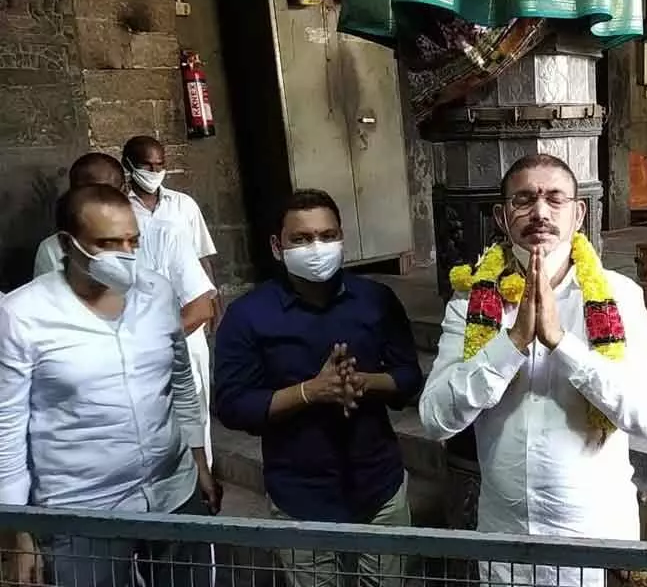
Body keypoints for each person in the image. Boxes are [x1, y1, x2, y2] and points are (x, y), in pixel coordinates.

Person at [419, 153, 647, 587]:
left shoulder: (619, 297)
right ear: (501, 216)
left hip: (597, 543)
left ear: (579, 213)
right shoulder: (470, 303)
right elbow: (435, 419)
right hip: (506, 544)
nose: (539, 211)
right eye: (523, 199)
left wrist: (563, 344)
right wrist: (511, 343)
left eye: (555, 198)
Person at [0, 183, 218, 587]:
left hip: (172, 491)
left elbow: (181, 380)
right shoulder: (22, 316)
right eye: (107, 243)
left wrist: (199, 461)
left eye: (132, 241)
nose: (125, 255)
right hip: (81, 510)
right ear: (68, 243)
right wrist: (16, 529)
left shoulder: (156, 293)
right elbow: (6, 428)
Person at [213, 189, 422, 587]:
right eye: (302, 239)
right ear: (278, 246)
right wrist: (311, 391)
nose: (317, 248)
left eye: (327, 236)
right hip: (300, 495)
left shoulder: (375, 300)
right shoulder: (249, 316)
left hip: (379, 485)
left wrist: (363, 382)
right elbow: (232, 403)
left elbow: (408, 376)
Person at [32, 152, 217, 460]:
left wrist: (142, 347)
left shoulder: (165, 233)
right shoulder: (52, 252)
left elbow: (200, 307)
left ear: (124, 190)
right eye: (87, 190)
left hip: (172, 360)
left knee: (186, 446)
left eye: (108, 190)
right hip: (95, 378)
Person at [123, 135, 220, 460]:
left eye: (160, 165)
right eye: (147, 166)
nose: (154, 171)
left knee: (197, 396)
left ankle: (203, 465)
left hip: (189, 319)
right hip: (141, 326)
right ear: (129, 166)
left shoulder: (183, 206)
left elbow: (202, 256)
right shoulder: (120, 209)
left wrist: (213, 299)